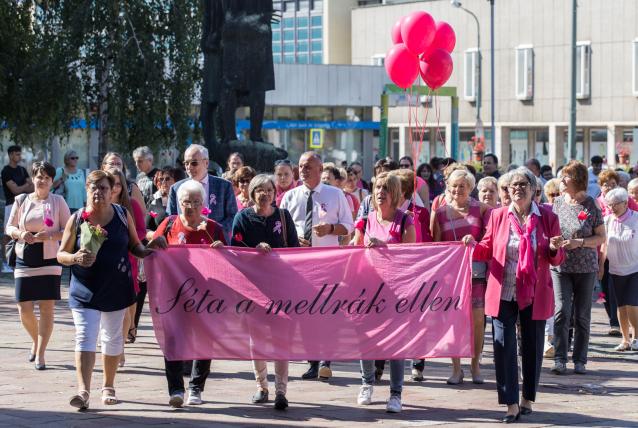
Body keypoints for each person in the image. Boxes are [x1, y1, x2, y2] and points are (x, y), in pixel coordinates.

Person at [462, 166, 565, 423]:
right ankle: (510, 403)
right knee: (503, 347)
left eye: (523, 185)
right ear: (506, 191)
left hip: (534, 292)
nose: (517, 189)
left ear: (533, 190)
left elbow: (557, 257)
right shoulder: (498, 216)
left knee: (532, 346)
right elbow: (488, 247)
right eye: (513, 186)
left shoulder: (548, 217)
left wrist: (553, 248)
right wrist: (472, 247)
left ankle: (527, 397)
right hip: (503, 290)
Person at [58, 170, 163, 409]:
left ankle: (108, 386)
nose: (98, 193)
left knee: (112, 337)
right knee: (85, 336)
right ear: (87, 190)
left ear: (112, 190)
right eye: (93, 188)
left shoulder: (122, 214)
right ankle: (83, 391)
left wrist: (150, 249)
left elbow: (135, 246)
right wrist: (75, 258)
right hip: (84, 288)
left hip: (116, 287)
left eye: (103, 188)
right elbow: (61, 254)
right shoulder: (77, 219)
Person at [280, 151, 354, 381]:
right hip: (299, 262)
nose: (303, 170)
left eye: (309, 167)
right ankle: (312, 361)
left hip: (327, 262)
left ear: (321, 170)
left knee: (326, 311)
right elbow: (280, 227)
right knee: (305, 313)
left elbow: (349, 227)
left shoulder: (335, 194)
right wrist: (293, 238)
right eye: (301, 166)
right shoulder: (289, 197)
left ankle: (326, 359)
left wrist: (330, 229)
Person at [152, 180, 225, 408]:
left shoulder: (213, 228)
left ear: (202, 204)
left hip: (205, 295)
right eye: (186, 202)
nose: (190, 206)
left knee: (204, 339)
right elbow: (151, 246)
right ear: (179, 203)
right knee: (172, 339)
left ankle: (196, 387)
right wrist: (156, 242)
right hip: (174, 293)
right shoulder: (169, 224)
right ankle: (175, 389)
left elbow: (229, 259)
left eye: (195, 202)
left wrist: (220, 251)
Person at [231, 174, 298, 410]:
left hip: (281, 288)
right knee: (256, 339)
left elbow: (295, 251)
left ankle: (281, 390)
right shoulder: (243, 218)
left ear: (274, 193)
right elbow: (235, 252)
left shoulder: (283, 216)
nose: (265, 194)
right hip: (254, 289)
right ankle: (262, 386)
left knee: (282, 340)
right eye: (260, 190)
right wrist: (254, 251)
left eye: (269, 189)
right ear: (252, 193)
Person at [353, 172, 415, 414]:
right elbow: (356, 250)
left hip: (396, 291)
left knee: (395, 343)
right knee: (365, 338)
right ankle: (367, 383)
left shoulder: (405, 220)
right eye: (378, 187)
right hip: (367, 289)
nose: (380, 192)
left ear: (396, 194)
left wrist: (385, 247)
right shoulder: (366, 220)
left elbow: (413, 255)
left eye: (386, 189)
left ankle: (395, 394)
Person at [6, 161, 70, 370]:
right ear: (33, 179)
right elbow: (9, 227)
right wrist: (20, 233)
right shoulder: (21, 199)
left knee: (46, 308)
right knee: (23, 307)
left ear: (52, 181)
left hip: (50, 259)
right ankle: (35, 341)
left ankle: (41, 353)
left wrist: (50, 236)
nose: (42, 181)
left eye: (46, 177)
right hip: (25, 257)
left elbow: (70, 230)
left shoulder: (58, 201)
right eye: (39, 176)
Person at [431, 169, 492, 385]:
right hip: (450, 276)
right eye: (454, 186)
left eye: (462, 186)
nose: (457, 190)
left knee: (477, 321)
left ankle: (475, 366)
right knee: (452, 321)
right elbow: (436, 245)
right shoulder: (439, 212)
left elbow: (489, 239)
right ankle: (456, 368)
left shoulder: (482, 209)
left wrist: (474, 242)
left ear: (471, 188)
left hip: (476, 272)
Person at [551, 160, 606, 375]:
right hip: (561, 266)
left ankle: (580, 359)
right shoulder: (556, 203)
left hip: (586, 267)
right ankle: (559, 358)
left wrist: (580, 242)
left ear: (577, 180)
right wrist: (553, 242)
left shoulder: (591, 204)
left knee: (582, 315)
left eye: (566, 176)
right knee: (561, 311)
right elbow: (550, 231)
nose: (562, 180)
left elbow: (601, 236)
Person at [108, 169, 147, 358]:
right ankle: (115, 341)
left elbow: (141, 231)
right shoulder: (98, 204)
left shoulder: (131, 205)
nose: (113, 188)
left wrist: (126, 240)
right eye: (109, 183)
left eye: (116, 184)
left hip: (127, 258)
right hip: (105, 262)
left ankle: (120, 345)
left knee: (126, 304)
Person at [597, 169, 638, 336]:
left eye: (615, 204)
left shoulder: (636, 218)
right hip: (615, 269)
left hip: (635, 268)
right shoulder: (606, 221)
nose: (612, 207)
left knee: (633, 303)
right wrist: (600, 267)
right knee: (620, 305)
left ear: (625, 203)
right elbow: (603, 246)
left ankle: (636, 337)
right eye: (609, 204)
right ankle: (625, 339)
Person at [167, 144, 237, 242]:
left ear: (206, 163)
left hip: (216, 243)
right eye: (186, 163)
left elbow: (232, 216)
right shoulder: (176, 188)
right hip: (186, 243)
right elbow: (171, 218)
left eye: (194, 163)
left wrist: (214, 231)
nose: (189, 167)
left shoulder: (224, 186)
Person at [2, 145, 34, 272]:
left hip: (24, 204)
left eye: (20, 154)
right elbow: (14, 190)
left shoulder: (22, 170)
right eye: (16, 154)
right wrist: (26, 185)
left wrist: (23, 186)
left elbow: (32, 189)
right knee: (8, 234)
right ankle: (5, 263)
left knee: (21, 232)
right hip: (11, 205)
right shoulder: (6, 171)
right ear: (10, 155)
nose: (19, 156)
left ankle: (16, 261)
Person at [101, 152, 146, 217]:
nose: (115, 166)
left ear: (122, 167)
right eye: (112, 163)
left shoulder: (131, 187)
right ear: (104, 166)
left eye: (118, 164)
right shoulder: (98, 186)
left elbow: (143, 214)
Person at [145, 167, 185, 233]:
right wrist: (156, 235)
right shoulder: (155, 203)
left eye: (167, 179)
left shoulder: (187, 202)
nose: (163, 182)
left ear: (178, 181)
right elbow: (146, 229)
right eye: (161, 179)